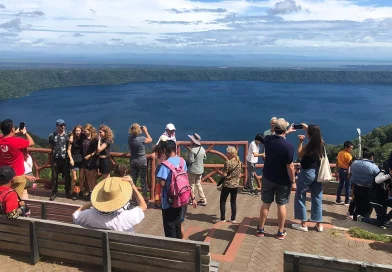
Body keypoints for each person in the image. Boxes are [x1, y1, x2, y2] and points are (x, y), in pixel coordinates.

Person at [257, 118, 295, 240]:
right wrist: (293, 181)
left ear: (274, 128)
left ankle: (261, 229)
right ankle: (280, 232)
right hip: (283, 180)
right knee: (281, 205)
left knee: (266, 204)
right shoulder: (288, 147)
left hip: (268, 176)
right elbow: (290, 166)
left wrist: (284, 131)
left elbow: (274, 135)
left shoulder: (267, 140)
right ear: (284, 130)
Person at [72, 176, 146, 232]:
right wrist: (133, 186)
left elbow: (75, 214)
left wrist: (91, 203)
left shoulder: (89, 215)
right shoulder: (125, 217)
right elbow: (143, 206)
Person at [157, 140, 197, 239]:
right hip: (181, 199)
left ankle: (173, 250)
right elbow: (186, 180)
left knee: (170, 228)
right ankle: (180, 247)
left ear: (165, 150)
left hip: (168, 202)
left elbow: (162, 183)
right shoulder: (182, 161)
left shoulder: (165, 165)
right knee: (178, 224)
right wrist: (193, 197)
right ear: (175, 149)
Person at [292, 124, 324, 232]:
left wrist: (301, 141)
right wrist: (308, 128)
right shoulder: (321, 144)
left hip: (307, 172)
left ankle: (303, 223)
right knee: (317, 197)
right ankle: (319, 224)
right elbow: (316, 135)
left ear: (309, 134)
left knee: (300, 196)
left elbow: (300, 154)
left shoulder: (309, 145)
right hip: (318, 172)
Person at [0, 119, 34, 198]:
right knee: (16, 198)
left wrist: (13, 133)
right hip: (17, 176)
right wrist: (25, 133)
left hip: (3, 175)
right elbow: (31, 142)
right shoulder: (17, 141)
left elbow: (4, 136)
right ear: (12, 129)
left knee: (4, 197)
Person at [349, 148, 379, 221]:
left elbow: (351, 174)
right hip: (367, 190)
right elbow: (378, 178)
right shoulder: (374, 167)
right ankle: (363, 223)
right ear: (371, 157)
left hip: (356, 188)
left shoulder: (355, 163)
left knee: (357, 206)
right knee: (366, 210)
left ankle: (355, 220)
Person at [48, 119, 71, 201]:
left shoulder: (68, 134)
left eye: (64, 125)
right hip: (55, 159)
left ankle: (67, 192)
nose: (63, 126)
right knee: (54, 177)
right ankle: (54, 193)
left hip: (65, 159)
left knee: (67, 177)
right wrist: (49, 159)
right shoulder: (52, 135)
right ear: (57, 126)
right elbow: (50, 147)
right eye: (61, 125)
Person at [128, 123, 152, 197]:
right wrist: (146, 131)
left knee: (133, 180)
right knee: (143, 181)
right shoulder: (141, 139)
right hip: (142, 162)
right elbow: (150, 140)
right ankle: (144, 197)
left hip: (133, 161)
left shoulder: (129, 138)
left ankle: (132, 196)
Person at [220, 146, 242, 223]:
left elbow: (224, 174)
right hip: (235, 184)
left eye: (228, 153)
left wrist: (222, 173)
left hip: (227, 184)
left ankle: (222, 218)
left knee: (223, 201)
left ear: (232, 154)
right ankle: (233, 219)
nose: (226, 154)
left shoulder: (228, 163)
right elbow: (239, 173)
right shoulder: (239, 162)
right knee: (233, 202)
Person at [186, 133, 207, 206]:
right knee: (198, 184)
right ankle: (203, 199)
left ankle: (192, 199)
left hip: (193, 170)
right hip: (200, 170)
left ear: (193, 141)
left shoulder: (192, 150)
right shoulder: (202, 149)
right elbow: (204, 158)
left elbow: (190, 161)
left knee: (191, 185)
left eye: (191, 140)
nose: (190, 141)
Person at [67, 125, 85, 201]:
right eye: (76, 130)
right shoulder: (72, 139)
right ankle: (73, 192)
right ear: (74, 131)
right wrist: (71, 159)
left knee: (81, 178)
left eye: (79, 130)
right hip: (74, 160)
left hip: (82, 160)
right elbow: (68, 150)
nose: (78, 132)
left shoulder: (83, 138)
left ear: (81, 131)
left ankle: (80, 192)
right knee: (74, 178)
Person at [82, 124, 99, 200]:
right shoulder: (84, 137)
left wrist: (90, 155)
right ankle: (91, 191)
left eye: (85, 131)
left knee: (93, 177)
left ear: (90, 131)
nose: (84, 132)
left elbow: (97, 150)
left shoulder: (94, 139)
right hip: (85, 160)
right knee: (88, 176)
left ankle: (95, 193)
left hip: (92, 160)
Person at [152, 136, 169, 208]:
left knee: (158, 185)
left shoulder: (157, 148)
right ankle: (165, 200)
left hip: (159, 167)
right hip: (166, 167)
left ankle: (157, 200)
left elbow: (153, 148)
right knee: (166, 185)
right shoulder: (168, 149)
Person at [336, 141, 354, 205]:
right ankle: (347, 201)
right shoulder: (348, 155)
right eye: (350, 148)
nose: (351, 150)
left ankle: (338, 199)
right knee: (348, 187)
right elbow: (350, 165)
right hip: (346, 171)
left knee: (340, 185)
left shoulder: (340, 153)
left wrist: (336, 170)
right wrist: (349, 173)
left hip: (340, 170)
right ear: (346, 147)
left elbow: (337, 162)